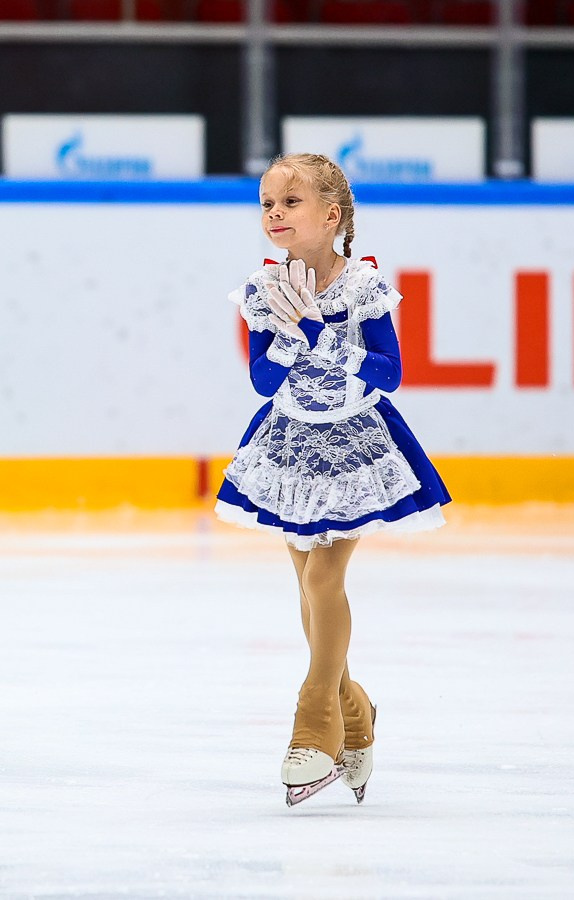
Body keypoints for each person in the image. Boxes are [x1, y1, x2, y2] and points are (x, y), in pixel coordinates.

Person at [214, 153, 451, 806]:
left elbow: (389, 372)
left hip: (356, 446)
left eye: (290, 202)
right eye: (267, 204)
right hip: (290, 445)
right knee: (308, 588)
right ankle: (356, 708)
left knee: (323, 579)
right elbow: (263, 381)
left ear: (331, 215)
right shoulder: (262, 289)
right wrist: (289, 334)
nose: (275, 214)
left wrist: (320, 333)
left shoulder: (361, 286)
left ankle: (315, 716)